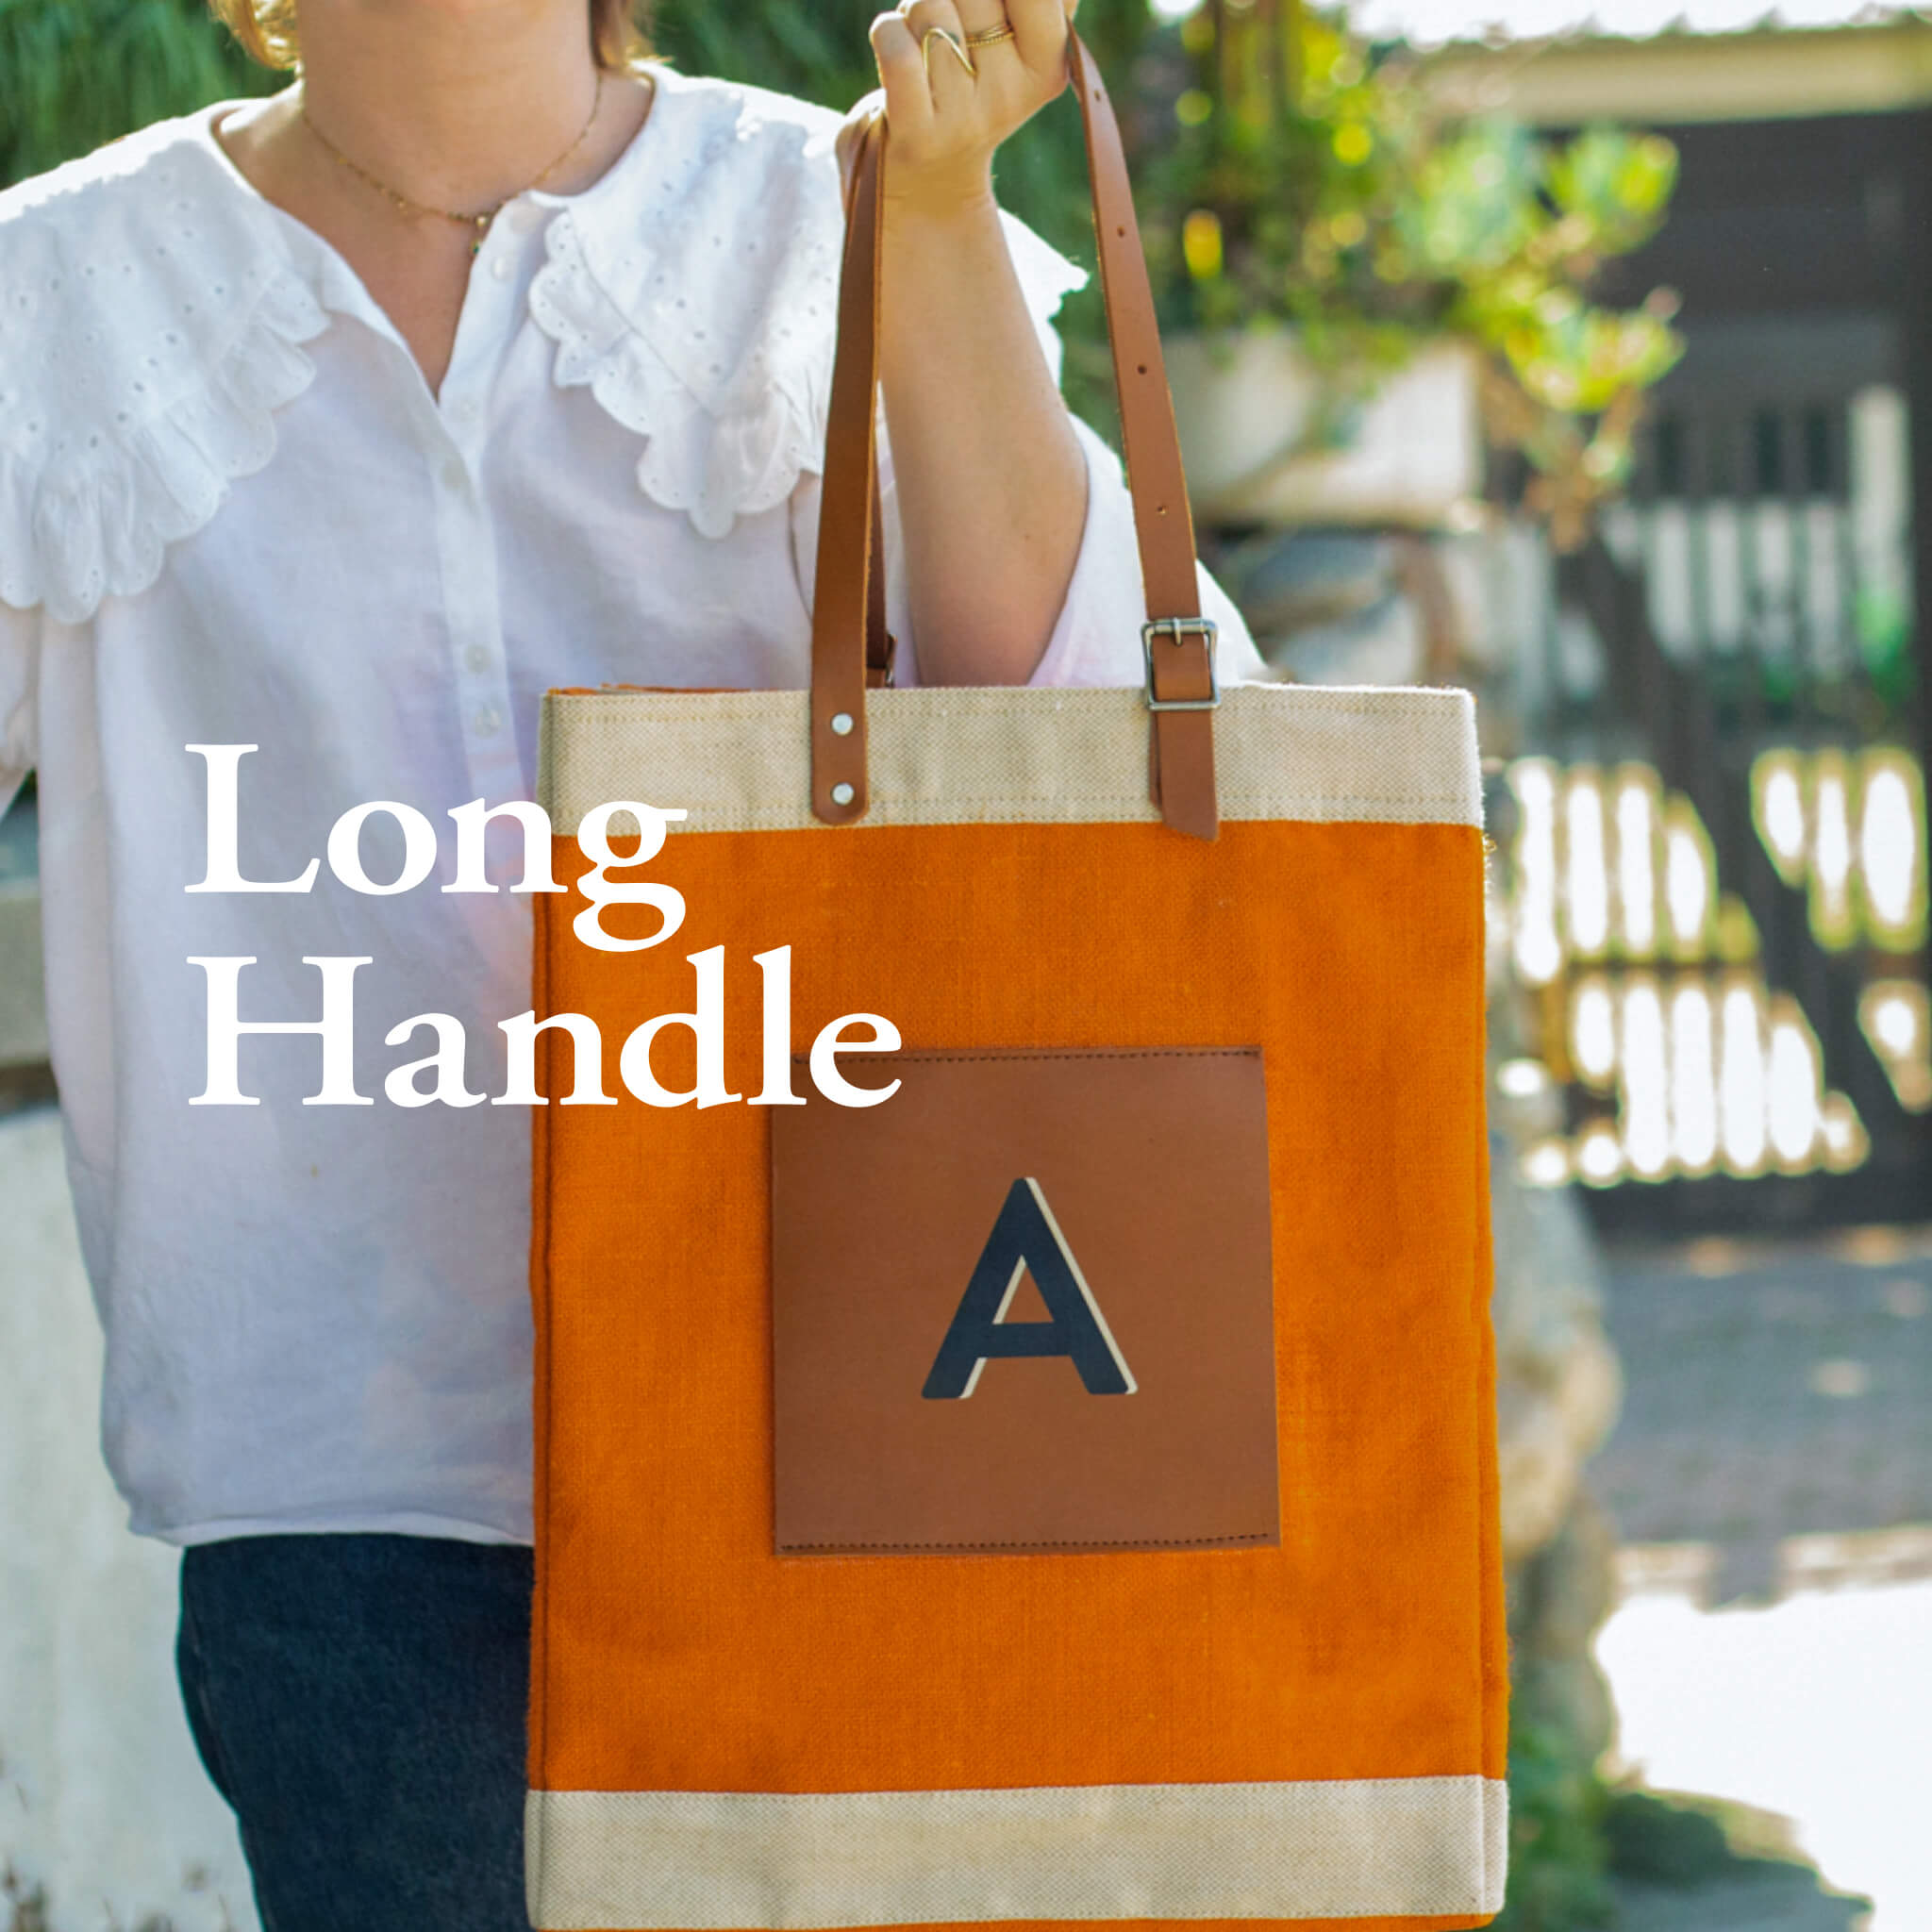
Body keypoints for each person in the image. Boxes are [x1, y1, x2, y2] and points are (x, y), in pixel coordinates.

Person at [0, 0, 1260, 1924]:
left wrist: (928, 209)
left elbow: (1072, 719)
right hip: (350, 1498)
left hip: (861, 1415)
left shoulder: (814, 206)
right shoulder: (58, 301)